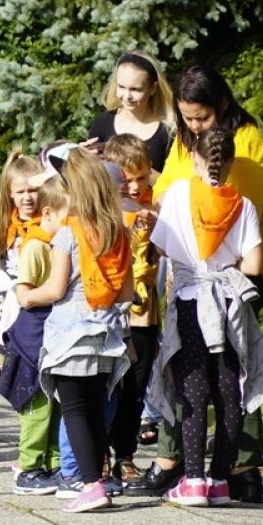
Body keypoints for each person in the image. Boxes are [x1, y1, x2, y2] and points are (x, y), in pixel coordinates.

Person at [122, 63, 263, 502]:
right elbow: (177, 188)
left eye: (202, 118)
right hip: (191, 273)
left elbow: (227, 217)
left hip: (228, 277)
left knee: (233, 372)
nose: (193, 126)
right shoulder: (186, 140)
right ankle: (179, 460)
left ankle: (240, 466)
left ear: (223, 106)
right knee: (188, 372)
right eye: (187, 118)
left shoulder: (245, 145)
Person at [147, 126, 263, 507]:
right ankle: (220, 479)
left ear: (194, 159)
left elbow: (159, 247)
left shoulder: (177, 195)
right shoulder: (244, 205)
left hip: (191, 300)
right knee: (228, 391)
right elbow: (253, 264)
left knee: (193, 391)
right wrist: (225, 263)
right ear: (230, 164)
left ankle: (192, 480)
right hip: (227, 305)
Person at [15, 148, 133, 513]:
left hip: (70, 335)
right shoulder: (117, 233)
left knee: (75, 411)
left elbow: (54, 289)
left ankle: (90, 485)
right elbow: (127, 293)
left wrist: (27, 296)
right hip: (106, 336)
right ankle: (97, 477)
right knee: (96, 410)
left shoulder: (68, 235)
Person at [101, 134, 162, 485]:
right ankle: (100, 454)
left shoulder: (154, 211)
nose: (137, 186)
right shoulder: (107, 216)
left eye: (142, 177)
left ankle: (125, 453)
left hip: (145, 313)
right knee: (112, 385)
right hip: (115, 312)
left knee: (136, 388)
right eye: (128, 179)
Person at [0, 149, 44, 445]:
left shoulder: (47, 223)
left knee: (30, 359)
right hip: (9, 298)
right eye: (20, 192)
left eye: (33, 190)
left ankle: (32, 419)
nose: (27, 198)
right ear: (10, 194)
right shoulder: (4, 223)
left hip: (36, 300)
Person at [3, 170, 65, 494]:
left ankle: (53, 463)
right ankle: (28, 469)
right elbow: (23, 293)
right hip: (32, 338)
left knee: (55, 405)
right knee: (37, 407)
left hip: (53, 336)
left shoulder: (59, 243)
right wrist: (55, 292)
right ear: (48, 213)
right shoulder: (37, 247)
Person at [83, 51, 175, 172]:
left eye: (135, 89)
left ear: (152, 88)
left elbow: (172, 183)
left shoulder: (168, 132)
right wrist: (81, 157)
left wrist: (136, 169)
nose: (127, 96)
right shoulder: (102, 122)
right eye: (121, 87)